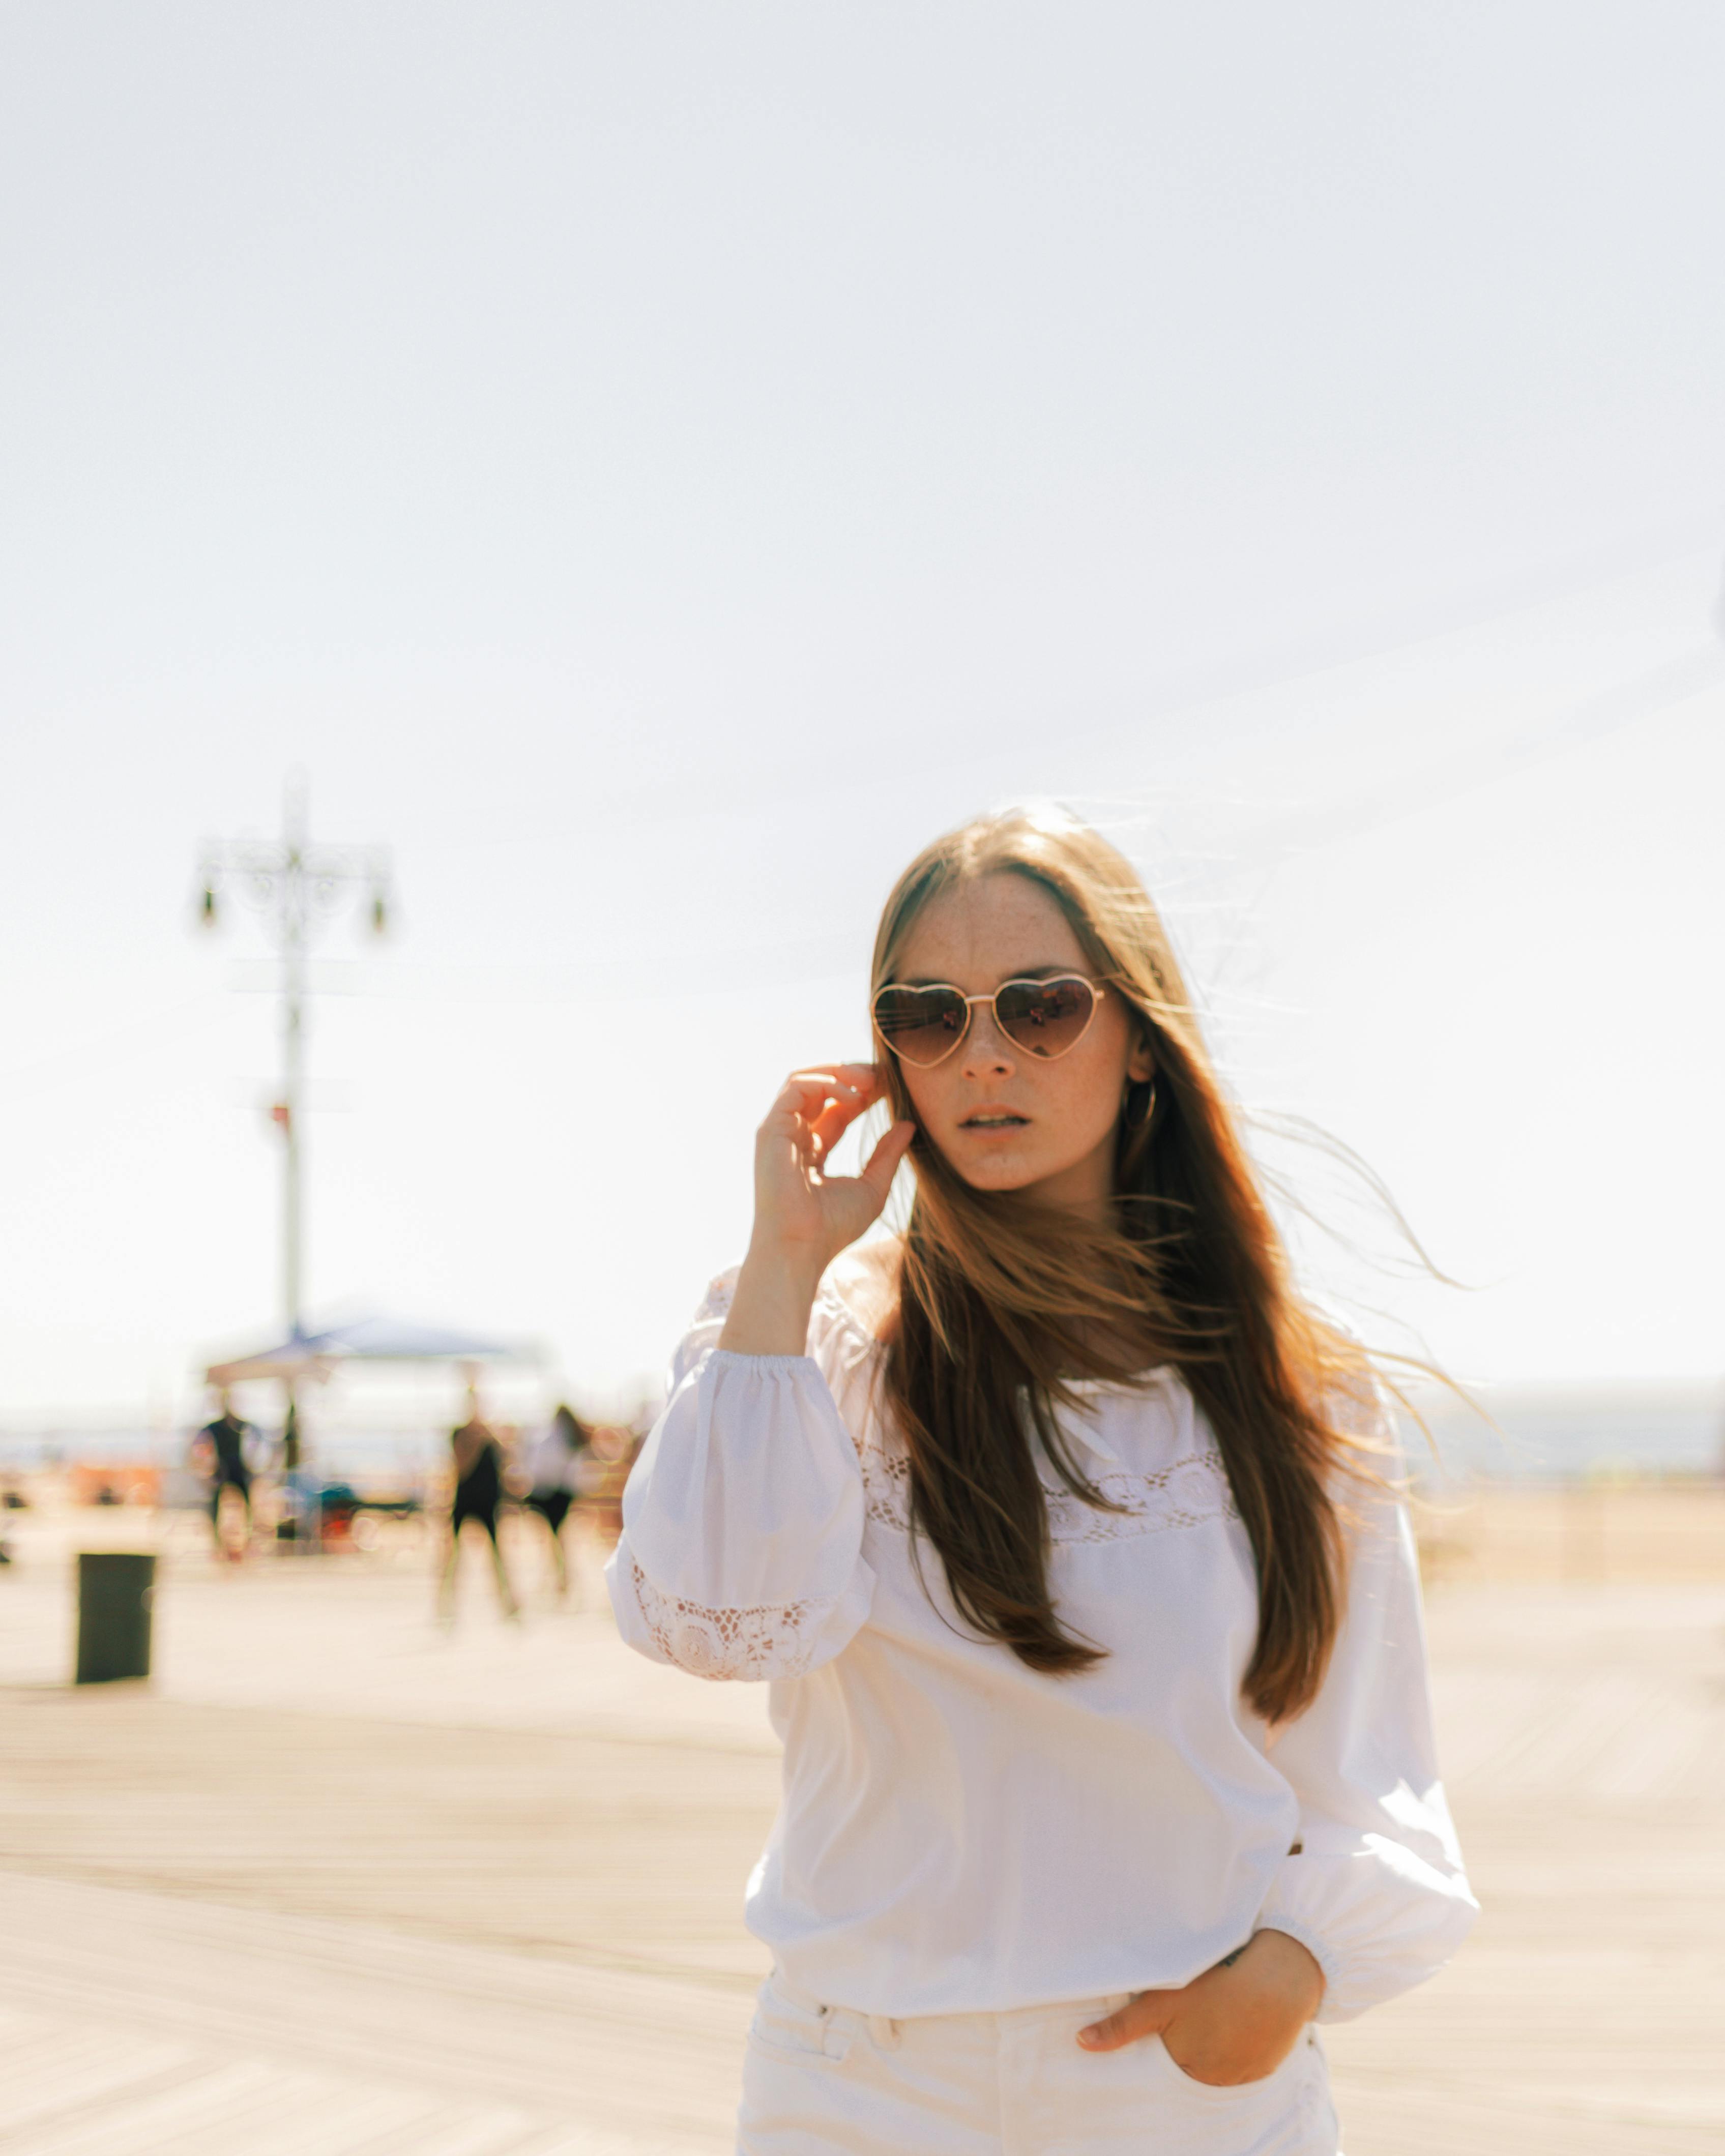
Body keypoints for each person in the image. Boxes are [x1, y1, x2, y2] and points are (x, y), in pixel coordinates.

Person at [607, 806, 1477, 2155]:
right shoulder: (824, 1343)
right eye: (926, 1014)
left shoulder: (1287, 1385)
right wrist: (781, 1263)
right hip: (857, 2084)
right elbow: (714, 1619)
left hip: (1180, 2089)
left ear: (1136, 1035)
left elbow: (1367, 1762)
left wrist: (1291, 1966)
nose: (983, 1054)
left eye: (1038, 1004)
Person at [438, 1384, 519, 1620]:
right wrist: (475, 1441)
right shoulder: (460, 1433)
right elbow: (459, 1467)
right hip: (465, 1499)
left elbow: (507, 1465)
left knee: (497, 1555)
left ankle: (508, 1603)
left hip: (488, 1502)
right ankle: (447, 1603)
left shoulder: (492, 1435)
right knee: (453, 1555)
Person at [524, 1403, 592, 1600]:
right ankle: (563, 1578)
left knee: (553, 1541)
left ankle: (561, 1579)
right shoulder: (573, 1437)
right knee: (559, 1540)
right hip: (564, 1493)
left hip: (549, 1494)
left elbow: (541, 1467)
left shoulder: (554, 1438)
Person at [198, 1390, 256, 1558]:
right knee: (216, 1507)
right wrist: (206, 1467)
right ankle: (217, 1542)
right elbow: (200, 1446)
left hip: (237, 1468)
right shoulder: (216, 1427)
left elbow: (257, 1442)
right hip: (223, 1470)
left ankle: (247, 1541)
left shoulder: (241, 1425)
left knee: (247, 1507)